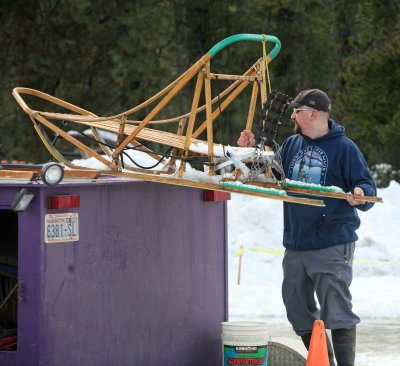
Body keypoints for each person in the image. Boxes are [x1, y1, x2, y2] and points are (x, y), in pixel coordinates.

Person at [237, 89, 377, 366]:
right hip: (296, 244)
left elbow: (368, 188)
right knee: (296, 308)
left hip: (332, 243)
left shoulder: (345, 148)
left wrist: (359, 192)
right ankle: (322, 361)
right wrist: (249, 150)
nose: (292, 115)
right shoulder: (291, 144)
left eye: (296, 111)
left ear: (312, 113)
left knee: (336, 310)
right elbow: (270, 173)